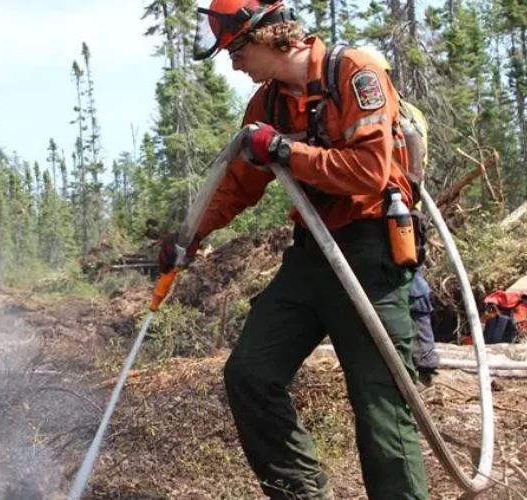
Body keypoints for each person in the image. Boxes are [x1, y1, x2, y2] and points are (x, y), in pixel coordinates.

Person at [158, 1, 430, 498]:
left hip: (371, 250)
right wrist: (188, 235)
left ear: (267, 37)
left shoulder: (354, 73)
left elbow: (369, 171)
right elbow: (237, 185)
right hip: (312, 256)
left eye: (236, 50)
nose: (234, 64)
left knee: (380, 407)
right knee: (250, 374)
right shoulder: (267, 105)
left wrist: (285, 150)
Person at [356, 45, 440, 386]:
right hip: (402, 214)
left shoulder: (401, 117)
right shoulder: (411, 113)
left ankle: (421, 361)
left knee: (408, 285)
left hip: (395, 215)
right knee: (406, 284)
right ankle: (417, 359)